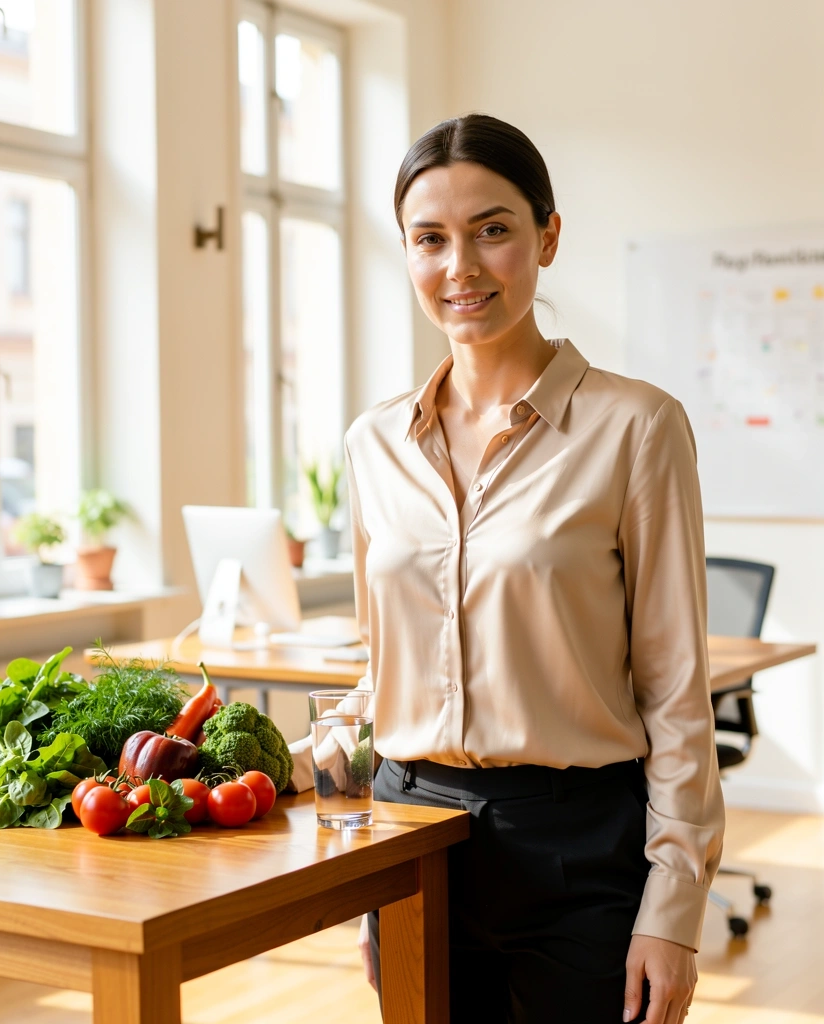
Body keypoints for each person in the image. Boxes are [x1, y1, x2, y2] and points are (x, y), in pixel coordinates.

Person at [288, 113, 724, 1024]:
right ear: (406, 253)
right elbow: (384, 666)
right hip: (409, 832)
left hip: (579, 846)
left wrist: (675, 909)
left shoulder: (637, 428)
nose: (461, 267)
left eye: (492, 229)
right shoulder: (374, 443)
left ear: (547, 238)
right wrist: (291, 780)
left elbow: (676, 687)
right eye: (430, 239)